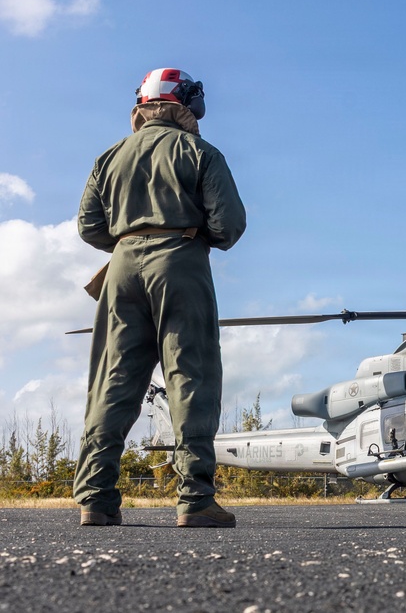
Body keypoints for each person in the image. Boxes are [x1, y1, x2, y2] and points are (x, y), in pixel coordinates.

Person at [74, 68, 247, 528]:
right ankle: (195, 499)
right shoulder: (200, 152)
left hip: (123, 266)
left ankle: (96, 496)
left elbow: (89, 227)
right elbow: (229, 226)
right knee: (191, 374)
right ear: (186, 103)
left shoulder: (108, 157)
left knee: (113, 378)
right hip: (181, 262)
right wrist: (183, 234)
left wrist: (133, 239)